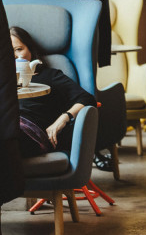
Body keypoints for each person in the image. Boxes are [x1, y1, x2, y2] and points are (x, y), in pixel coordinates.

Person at [11, 26, 96, 158]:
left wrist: (63, 118)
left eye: (19, 49)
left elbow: (87, 98)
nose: (14, 56)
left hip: (31, 133)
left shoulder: (50, 76)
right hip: (5, 127)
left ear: (30, 50)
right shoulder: (0, 82)